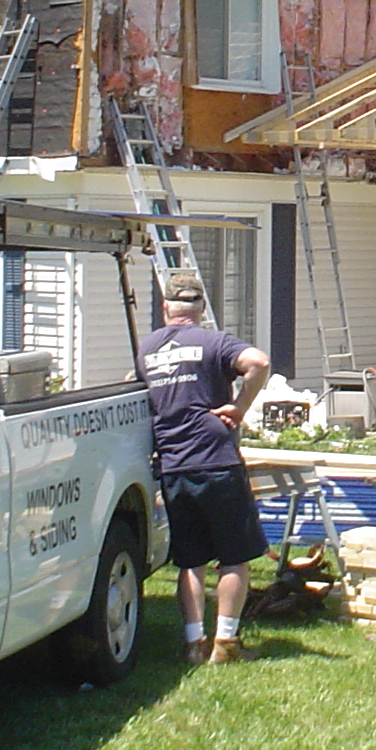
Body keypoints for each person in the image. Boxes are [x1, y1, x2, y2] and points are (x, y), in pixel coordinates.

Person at [136, 272, 271, 664]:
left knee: (190, 560)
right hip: (216, 460)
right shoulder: (214, 341)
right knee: (233, 557)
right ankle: (225, 643)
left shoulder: (147, 349)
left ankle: (194, 643)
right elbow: (258, 363)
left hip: (175, 464)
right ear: (201, 309)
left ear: (165, 309)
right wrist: (240, 408)